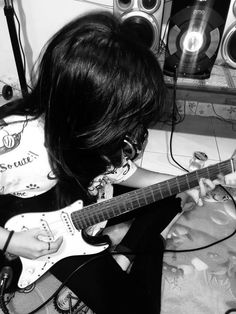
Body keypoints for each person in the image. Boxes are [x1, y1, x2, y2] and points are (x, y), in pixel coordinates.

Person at [0, 11, 228, 314]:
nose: (132, 128)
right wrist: (10, 242)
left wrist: (188, 183)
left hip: (85, 205)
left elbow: (129, 174)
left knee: (169, 199)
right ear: (89, 111)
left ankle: (125, 253)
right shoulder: (17, 143)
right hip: (42, 231)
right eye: (125, 118)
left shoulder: (100, 134)